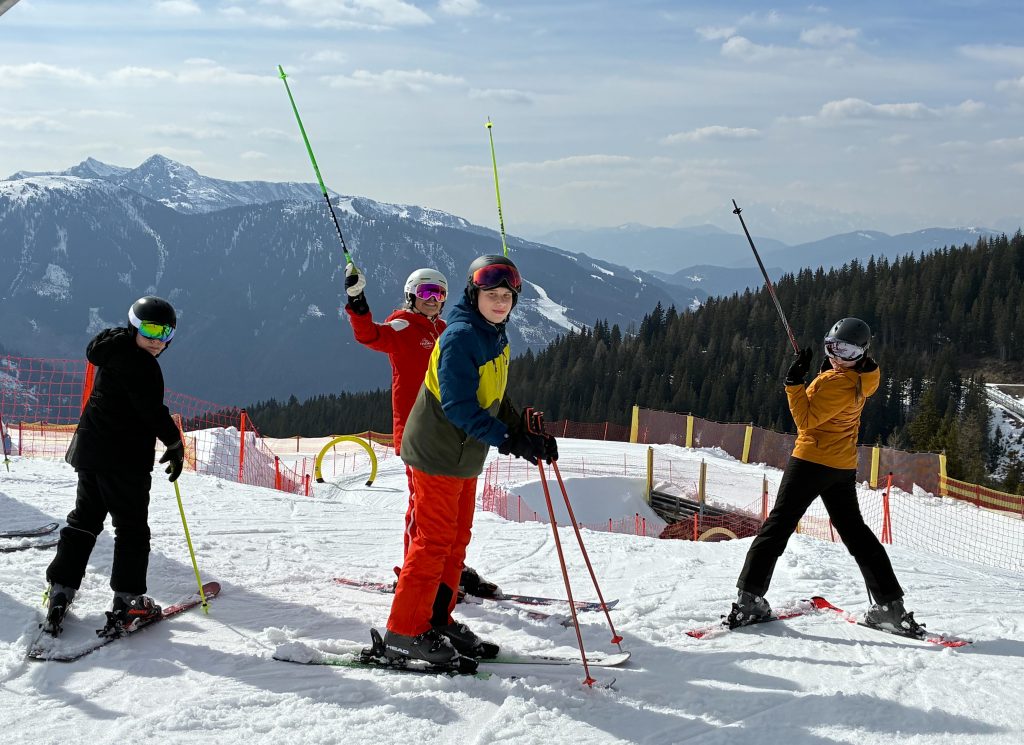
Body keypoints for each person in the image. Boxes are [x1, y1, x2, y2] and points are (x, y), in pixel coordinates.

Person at [379, 254, 558, 668]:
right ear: (474, 294)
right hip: (437, 451)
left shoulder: (494, 335)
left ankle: (437, 620)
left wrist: (526, 432)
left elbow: (494, 397)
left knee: (456, 540)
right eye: (491, 294)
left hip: (463, 455)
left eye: (506, 296)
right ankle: (403, 632)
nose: (500, 302)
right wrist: (510, 440)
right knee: (432, 542)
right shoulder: (461, 336)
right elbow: (460, 406)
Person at [730, 317, 919, 633]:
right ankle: (889, 606)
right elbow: (831, 402)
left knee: (777, 526)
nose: (837, 356)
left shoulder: (837, 383)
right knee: (856, 532)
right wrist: (822, 375)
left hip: (811, 462)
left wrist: (794, 382)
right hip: (840, 466)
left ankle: (749, 600)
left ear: (860, 353)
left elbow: (805, 420)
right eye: (833, 348)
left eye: (845, 351)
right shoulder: (862, 377)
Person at [344, 262, 500, 599]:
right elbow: (370, 335)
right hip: (418, 436)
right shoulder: (403, 326)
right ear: (412, 296)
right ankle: (412, 573)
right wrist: (357, 303)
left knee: (454, 513)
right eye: (426, 292)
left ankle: (449, 570)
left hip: (452, 435)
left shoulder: (446, 329)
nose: (433, 298)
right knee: (424, 512)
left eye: (440, 293)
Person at [43, 296, 185, 636]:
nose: (156, 340)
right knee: (132, 528)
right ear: (133, 325)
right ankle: (128, 601)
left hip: (90, 455)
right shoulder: (143, 366)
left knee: (84, 520)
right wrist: (175, 442)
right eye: (149, 329)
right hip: (125, 462)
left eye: (164, 332)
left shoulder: (112, 349)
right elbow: (151, 411)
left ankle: (61, 588)